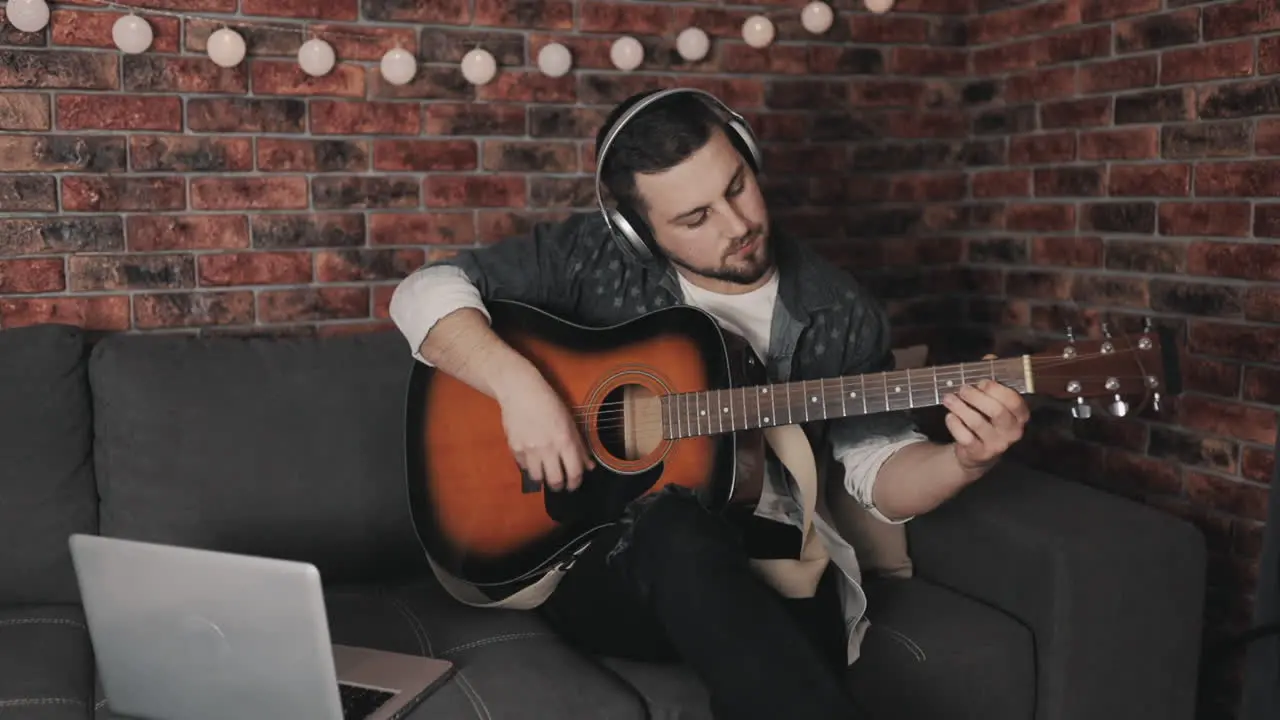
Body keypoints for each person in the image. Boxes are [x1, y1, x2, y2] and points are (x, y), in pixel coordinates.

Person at [389, 88, 1030, 719]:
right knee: (674, 529)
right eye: (695, 218)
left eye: (737, 186)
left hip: (772, 567)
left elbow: (878, 475)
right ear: (638, 234)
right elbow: (422, 293)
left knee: (792, 635)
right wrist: (519, 387)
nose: (739, 226)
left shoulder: (838, 309)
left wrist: (964, 462)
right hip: (606, 570)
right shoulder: (590, 257)